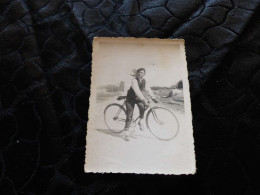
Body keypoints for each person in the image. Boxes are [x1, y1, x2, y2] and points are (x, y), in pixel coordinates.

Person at [124, 68, 157, 141]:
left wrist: (153, 97)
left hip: (138, 98)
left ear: (144, 74)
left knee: (142, 107)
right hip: (130, 99)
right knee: (129, 115)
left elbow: (148, 89)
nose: (140, 73)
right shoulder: (134, 80)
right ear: (137, 73)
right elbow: (137, 91)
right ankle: (126, 133)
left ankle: (140, 121)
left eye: (141, 72)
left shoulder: (144, 81)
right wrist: (144, 100)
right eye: (138, 72)